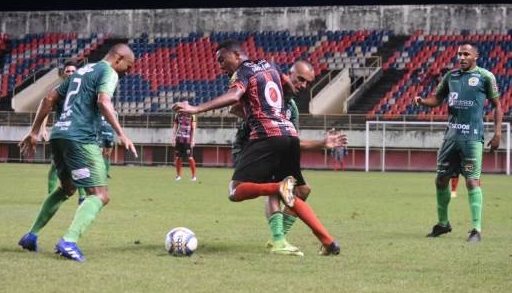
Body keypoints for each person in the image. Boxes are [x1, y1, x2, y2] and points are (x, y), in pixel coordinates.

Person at [173, 40, 340, 256]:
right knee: (295, 193)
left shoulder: (243, 71)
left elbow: (234, 96)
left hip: (266, 136)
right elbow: (287, 85)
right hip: (288, 135)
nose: (220, 66)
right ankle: (328, 242)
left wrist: (196, 108)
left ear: (236, 55)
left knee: (235, 191)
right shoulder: (270, 66)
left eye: (222, 60)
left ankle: (276, 194)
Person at [18, 43, 138, 262]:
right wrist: (122, 133)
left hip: (59, 134)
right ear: (118, 59)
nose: (128, 71)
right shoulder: (108, 72)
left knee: (66, 188)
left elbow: (48, 99)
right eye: (128, 66)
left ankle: (30, 235)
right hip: (80, 138)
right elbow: (104, 101)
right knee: (100, 195)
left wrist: (34, 132)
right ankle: (69, 241)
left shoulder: (82, 71)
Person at [414, 42, 502, 243]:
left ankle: (476, 229)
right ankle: (443, 224)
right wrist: (421, 101)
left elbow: (498, 106)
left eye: (466, 54)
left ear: (475, 56)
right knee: (440, 180)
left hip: (472, 138)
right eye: (459, 54)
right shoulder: (450, 76)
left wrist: (497, 133)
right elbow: (436, 99)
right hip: (451, 137)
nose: (461, 57)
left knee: (472, 181)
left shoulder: (485, 77)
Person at [39, 61, 88, 203]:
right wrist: (43, 129)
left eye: (73, 71)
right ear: (63, 74)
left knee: (79, 164)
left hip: (77, 132)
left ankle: (82, 196)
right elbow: (46, 108)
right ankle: (51, 194)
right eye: (68, 71)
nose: (71, 73)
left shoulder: (83, 90)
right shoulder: (58, 90)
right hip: (61, 131)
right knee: (55, 167)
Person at [172, 102, 197, 181]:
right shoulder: (178, 114)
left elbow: (193, 128)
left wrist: (193, 139)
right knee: (178, 157)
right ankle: (178, 175)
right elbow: (175, 127)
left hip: (187, 140)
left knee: (190, 157)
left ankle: (194, 176)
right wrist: (173, 138)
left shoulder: (192, 114)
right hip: (179, 139)